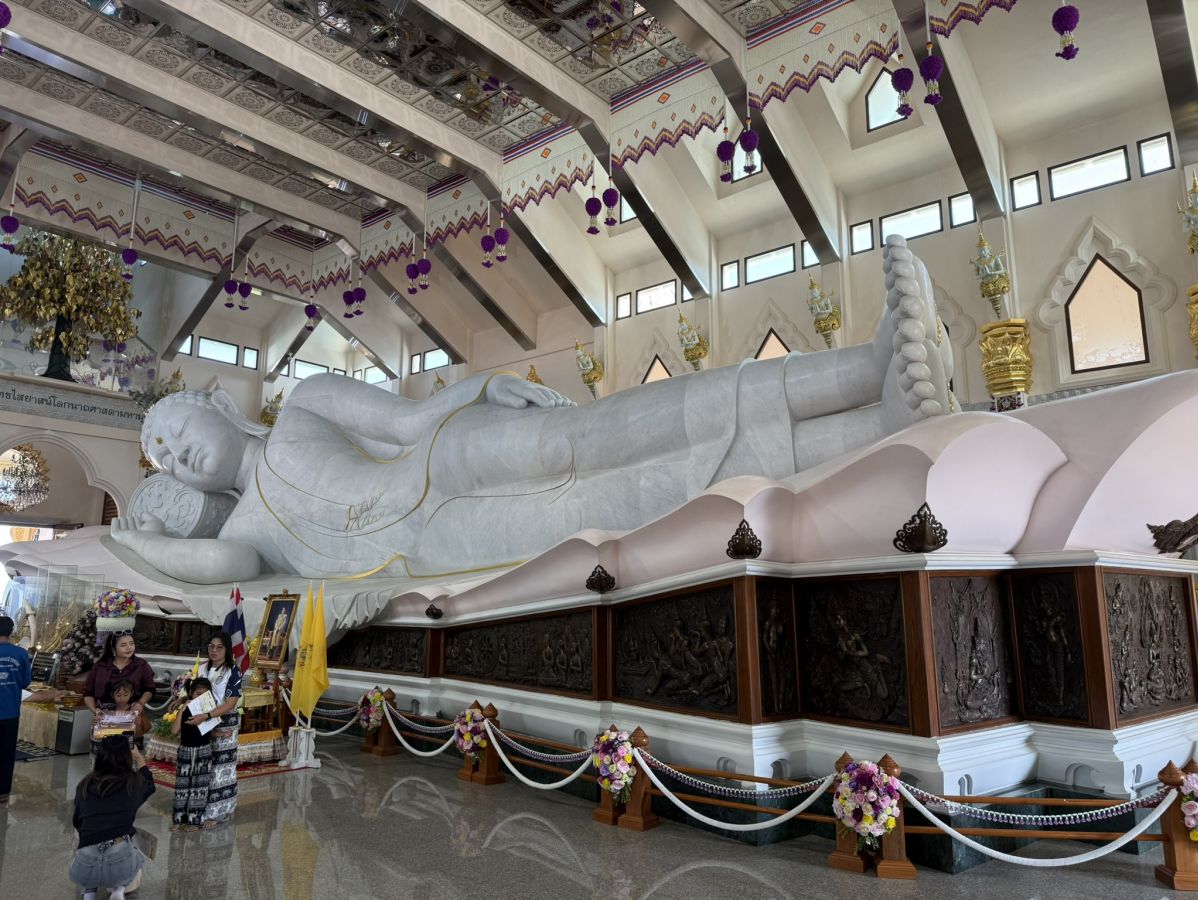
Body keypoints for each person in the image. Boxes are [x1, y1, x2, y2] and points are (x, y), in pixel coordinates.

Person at [108, 237, 955, 584]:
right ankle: (874, 427)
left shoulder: (302, 404)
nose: (181, 457)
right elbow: (218, 567)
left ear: (216, 405)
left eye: (176, 433)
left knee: (606, 430)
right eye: (168, 462)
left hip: (446, 457)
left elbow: (405, 421)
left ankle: (864, 365)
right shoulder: (243, 533)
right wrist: (128, 537)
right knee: (629, 502)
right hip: (436, 543)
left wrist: (481, 388)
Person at [70, 735, 154, 900]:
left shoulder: (85, 784)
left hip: (83, 866)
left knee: (85, 839)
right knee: (136, 850)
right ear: (127, 757)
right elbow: (150, 785)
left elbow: (77, 821)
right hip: (119, 864)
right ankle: (118, 890)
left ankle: (89, 892)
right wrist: (139, 758)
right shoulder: (133, 784)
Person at [191, 632, 241, 826]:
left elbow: (230, 702)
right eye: (211, 646)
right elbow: (194, 692)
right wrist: (181, 699)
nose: (214, 650)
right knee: (202, 766)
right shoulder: (203, 667)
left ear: (227, 650)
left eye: (219, 647)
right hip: (201, 720)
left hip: (223, 721)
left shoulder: (232, 670)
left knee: (221, 769)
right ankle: (198, 809)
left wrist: (208, 715)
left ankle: (219, 813)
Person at [170, 676, 213, 832]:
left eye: (204, 695)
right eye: (197, 694)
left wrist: (222, 734)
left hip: (204, 751)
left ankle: (195, 820)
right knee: (182, 786)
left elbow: (211, 731)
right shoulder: (185, 709)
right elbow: (174, 731)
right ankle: (178, 819)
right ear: (191, 693)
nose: (200, 697)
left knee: (199, 787)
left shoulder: (209, 711)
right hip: (185, 751)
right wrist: (182, 710)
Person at [0, 614, 31, 804]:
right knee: (6, 752)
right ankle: (3, 793)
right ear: (11, 632)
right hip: (10, 712)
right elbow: (25, 682)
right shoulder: (20, 653)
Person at [83, 633, 155, 715]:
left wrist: (141, 703)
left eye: (131, 643)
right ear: (113, 649)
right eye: (123, 645)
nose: (129, 647)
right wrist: (95, 710)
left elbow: (150, 689)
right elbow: (88, 693)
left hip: (133, 714)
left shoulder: (141, 665)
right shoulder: (100, 667)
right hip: (104, 714)